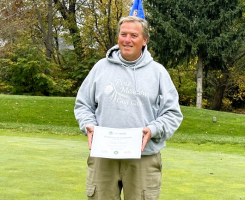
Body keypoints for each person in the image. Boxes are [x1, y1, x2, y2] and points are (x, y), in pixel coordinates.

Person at [74, 16, 183, 200]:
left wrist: (153, 129)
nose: (127, 40)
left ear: (144, 40)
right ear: (118, 37)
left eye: (134, 35)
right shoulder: (100, 68)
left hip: (144, 158)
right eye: (123, 34)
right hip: (103, 156)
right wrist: (88, 124)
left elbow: (172, 114)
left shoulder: (158, 73)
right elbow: (83, 105)